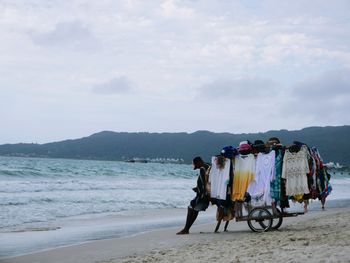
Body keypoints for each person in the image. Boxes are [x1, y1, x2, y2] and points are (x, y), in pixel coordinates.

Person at [176, 156, 210, 235]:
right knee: (192, 209)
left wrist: (198, 190)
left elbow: (204, 184)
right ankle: (186, 229)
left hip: (203, 195)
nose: (196, 167)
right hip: (207, 193)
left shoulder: (202, 169)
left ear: (198, 162)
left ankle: (186, 229)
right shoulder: (208, 166)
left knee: (192, 208)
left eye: (196, 165)